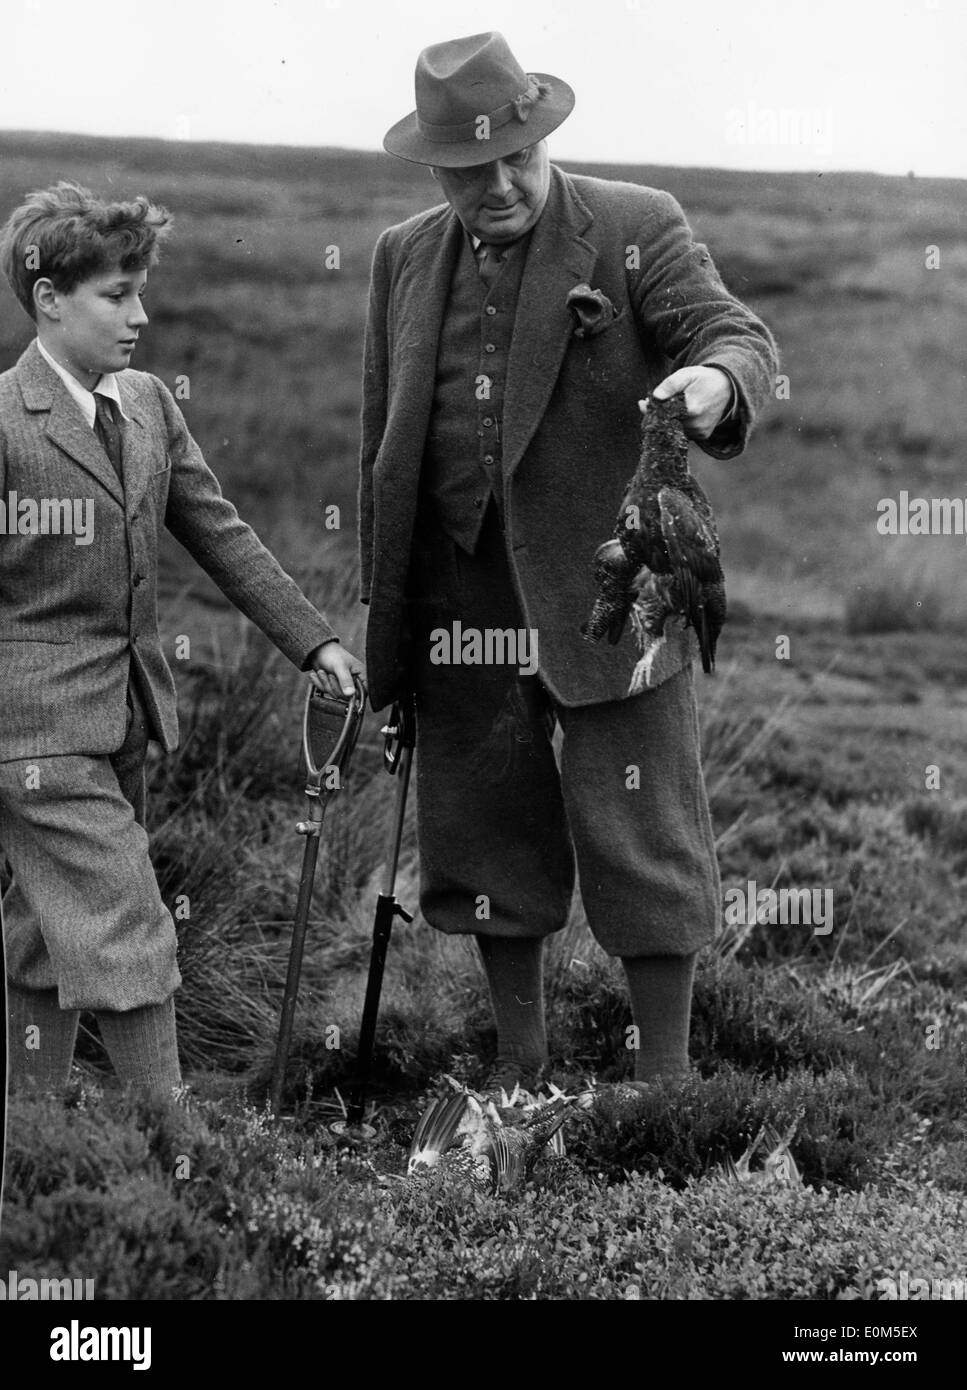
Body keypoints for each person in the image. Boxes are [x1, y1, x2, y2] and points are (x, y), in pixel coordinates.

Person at [359, 32, 778, 1093]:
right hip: (462, 592)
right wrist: (394, 630)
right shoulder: (401, 259)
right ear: (434, 165)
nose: (497, 185)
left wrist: (716, 384)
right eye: (468, 167)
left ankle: (668, 1083)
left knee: (642, 832)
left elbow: (735, 335)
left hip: (615, 589)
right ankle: (518, 1071)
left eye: (516, 158)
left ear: (545, 135)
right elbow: (386, 449)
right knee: (485, 831)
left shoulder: (635, 225)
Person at [0, 181, 363, 1096]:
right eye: (114, 296)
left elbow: (217, 530)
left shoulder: (151, 404)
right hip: (33, 736)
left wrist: (312, 644)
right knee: (125, 924)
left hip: (124, 719)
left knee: (50, 934)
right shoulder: (5, 422)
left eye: (142, 292)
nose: (140, 316)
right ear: (48, 297)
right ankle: (177, 1155)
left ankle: (36, 1148)